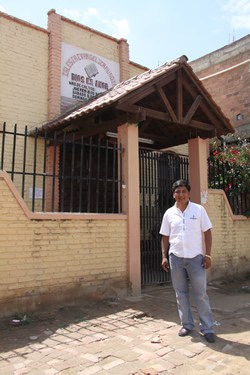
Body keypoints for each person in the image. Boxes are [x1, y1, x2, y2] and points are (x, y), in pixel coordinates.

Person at [159, 179, 215, 343]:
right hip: (175, 258)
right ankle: (187, 324)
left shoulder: (198, 210)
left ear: (188, 193)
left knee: (201, 293)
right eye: (178, 191)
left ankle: (208, 328)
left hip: (195, 259)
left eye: (184, 191)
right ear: (173, 194)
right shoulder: (169, 213)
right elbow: (165, 236)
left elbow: (208, 232)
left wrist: (208, 255)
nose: (181, 194)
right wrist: (164, 255)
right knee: (181, 294)